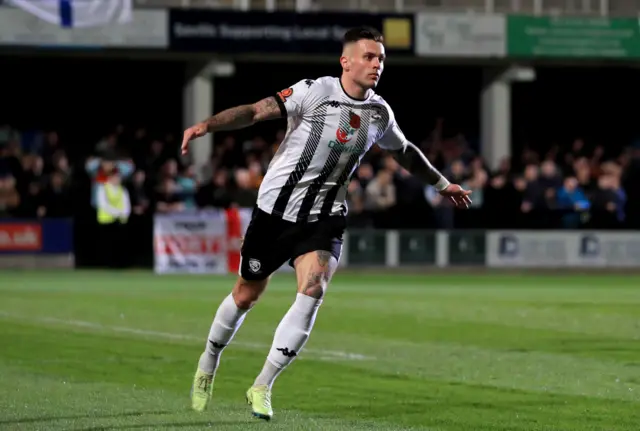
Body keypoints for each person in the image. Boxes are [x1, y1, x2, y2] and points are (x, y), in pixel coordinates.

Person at [181, 26, 472, 421]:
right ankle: (209, 362)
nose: (377, 64)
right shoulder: (313, 91)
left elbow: (403, 152)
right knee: (246, 296)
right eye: (369, 56)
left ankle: (263, 384)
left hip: (324, 217)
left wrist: (441, 183)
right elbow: (255, 111)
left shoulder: (379, 113)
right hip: (274, 214)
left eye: (381, 59)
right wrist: (206, 126)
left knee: (313, 289)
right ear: (345, 61)